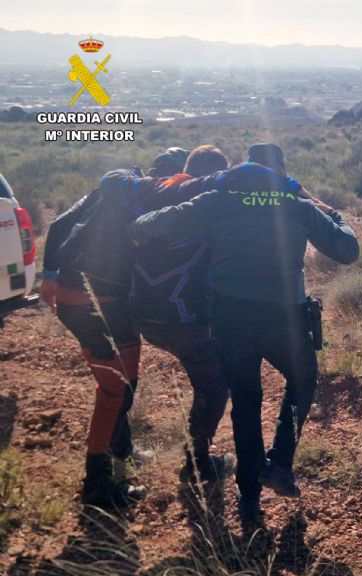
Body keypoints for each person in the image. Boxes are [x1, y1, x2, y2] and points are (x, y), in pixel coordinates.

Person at [127, 144, 360, 519]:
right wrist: (325, 207)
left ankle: (249, 499)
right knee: (303, 380)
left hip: (230, 320)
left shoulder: (218, 202)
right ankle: (279, 463)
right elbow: (348, 250)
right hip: (284, 319)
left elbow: (149, 225)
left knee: (247, 403)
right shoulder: (296, 206)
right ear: (281, 174)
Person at [40, 145, 230, 505]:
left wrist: (50, 274)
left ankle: (120, 452)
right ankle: (97, 486)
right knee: (114, 391)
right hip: (98, 301)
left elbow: (59, 222)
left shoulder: (114, 191)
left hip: (84, 298)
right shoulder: (155, 196)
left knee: (123, 384)